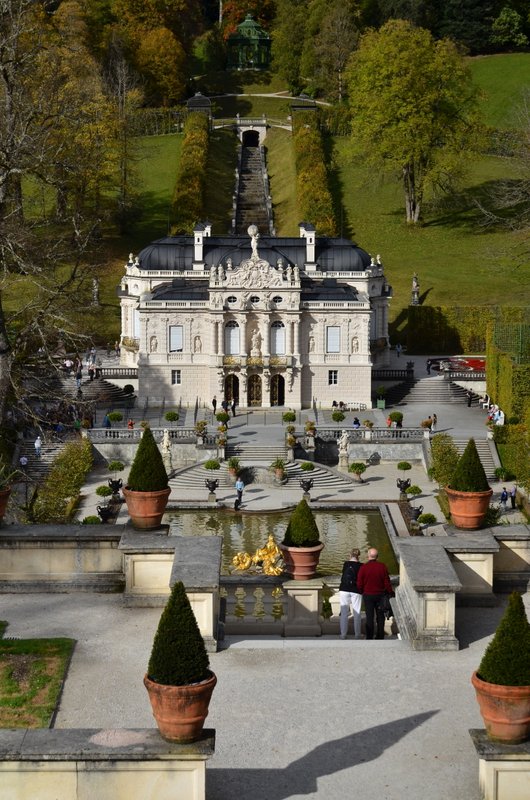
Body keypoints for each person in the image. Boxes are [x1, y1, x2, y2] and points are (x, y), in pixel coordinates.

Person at [357, 548, 393, 640]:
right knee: (380, 617)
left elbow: (359, 583)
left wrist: (362, 591)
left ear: (368, 556)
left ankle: (369, 636)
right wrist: (391, 592)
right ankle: (380, 636)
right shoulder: (382, 566)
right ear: (377, 556)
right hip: (380, 595)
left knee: (369, 617)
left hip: (368, 595)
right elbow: (386, 582)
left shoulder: (363, 567)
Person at [339, 549, 363, 639]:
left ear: (350, 555)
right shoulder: (361, 565)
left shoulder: (346, 564)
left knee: (344, 613)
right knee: (357, 612)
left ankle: (343, 634)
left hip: (344, 589)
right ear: (358, 555)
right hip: (356, 590)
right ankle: (357, 635)